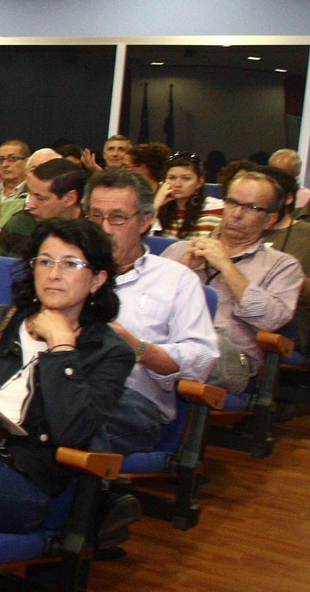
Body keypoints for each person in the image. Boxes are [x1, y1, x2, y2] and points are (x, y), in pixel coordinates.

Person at [0, 218, 135, 592]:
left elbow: (74, 429)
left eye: (71, 264)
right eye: (44, 261)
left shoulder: (109, 352)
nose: (53, 273)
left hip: (19, 480)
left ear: (99, 279)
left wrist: (61, 346)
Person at [83, 169, 218, 453]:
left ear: (145, 221)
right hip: (62, 382)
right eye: (95, 217)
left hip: (130, 401)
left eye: (117, 218)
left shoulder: (176, 279)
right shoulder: (64, 267)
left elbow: (202, 358)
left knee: (62, 415)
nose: (105, 229)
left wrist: (139, 348)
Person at [162, 167, 304, 391]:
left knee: (197, 346)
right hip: (170, 339)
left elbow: (270, 320)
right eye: (232, 203)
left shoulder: (282, 266)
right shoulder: (182, 249)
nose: (237, 214)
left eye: (252, 208)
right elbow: (147, 303)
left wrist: (227, 267)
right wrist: (183, 270)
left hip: (230, 357)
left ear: (270, 220)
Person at [0, 158, 86, 259]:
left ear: (69, 198)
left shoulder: (91, 234)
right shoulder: (20, 222)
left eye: (40, 198)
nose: (29, 204)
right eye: (30, 194)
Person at [154, 153, 223, 239]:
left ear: (199, 182)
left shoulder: (219, 209)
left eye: (186, 178)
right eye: (172, 178)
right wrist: (155, 207)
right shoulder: (157, 208)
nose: (177, 184)